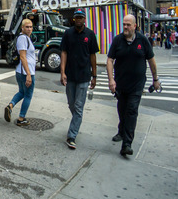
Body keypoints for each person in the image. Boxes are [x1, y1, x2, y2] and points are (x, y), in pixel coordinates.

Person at [106, 14, 160, 157]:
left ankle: (127, 144)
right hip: (121, 84)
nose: (125, 27)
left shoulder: (143, 40)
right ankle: (121, 131)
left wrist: (156, 79)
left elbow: (151, 60)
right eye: (124, 24)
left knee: (131, 111)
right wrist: (111, 80)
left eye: (128, 25)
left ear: (135, 26)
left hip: (136, 85)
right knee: (122, 109)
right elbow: (110, 60)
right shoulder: (118, 40)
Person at [59, 9, 99, 150]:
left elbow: (93, 56)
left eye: (81, 17)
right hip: (70, 76)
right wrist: (62, 71)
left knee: (78, 107)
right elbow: (63, 52)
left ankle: (72, 135)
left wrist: (94, 75)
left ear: (84, 19)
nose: (79, 20)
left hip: (84, 77)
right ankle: (76, 122)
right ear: (73, 19)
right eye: (77, 18)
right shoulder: (68, 33)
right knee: (71, 104)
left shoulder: (90, 34)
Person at [4, 19, 35, 126]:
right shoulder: (22, 39)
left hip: (21, 71)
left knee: (22, 92)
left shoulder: (26, 38)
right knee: (28, 95)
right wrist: (29, 75)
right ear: (22, 28)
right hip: (25, 72)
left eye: (31, 27)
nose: (29, 29)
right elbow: (22, 57)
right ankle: (21, 119)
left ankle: (10, 106)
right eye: (27, 27)